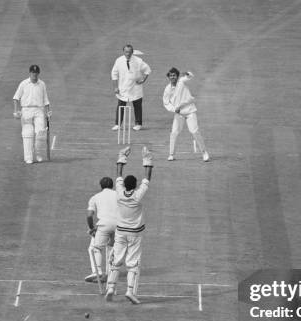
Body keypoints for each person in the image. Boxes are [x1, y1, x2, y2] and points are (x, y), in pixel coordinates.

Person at [105, 146, 153, 304]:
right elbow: (147, 179)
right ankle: (130, 291)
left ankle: (111, 287)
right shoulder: (138, 195)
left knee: (116, 260)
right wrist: (147, 159)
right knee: (133, 263)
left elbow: (118, 174)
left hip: (120, 232)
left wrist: (122, 157)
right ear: (135, 185)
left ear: (124, 185)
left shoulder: (119, 192)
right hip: (135, 233)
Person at [163, 68, 210, 162]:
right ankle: (171, 154)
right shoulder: (167, 89)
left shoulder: (181, 82)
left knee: (194, 131)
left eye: (174, 75)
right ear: (168, 77)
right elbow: (166, 102)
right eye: (171, 75)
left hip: (190, 111)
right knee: (174, 132)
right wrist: (174, 109)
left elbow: (190, 76)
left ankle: (204, 152)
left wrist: (187, 73)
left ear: (177, 76)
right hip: (179, 113)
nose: (172, 77)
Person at [13, 65, 52, 164]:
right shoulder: (24, 83)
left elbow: (45, 99)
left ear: (38, 73)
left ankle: (38, 154)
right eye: (33, 72)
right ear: (30, 73)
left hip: (39, 110)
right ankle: (28, 157)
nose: (34, 74)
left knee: (40, 133)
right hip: (26, 110)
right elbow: (16, 98)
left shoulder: (42, 84)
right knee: (27, 134)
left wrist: (48, 111)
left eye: (36, 73)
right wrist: (15, 111)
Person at [85, 177, 118, 283]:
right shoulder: (119, 195)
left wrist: (91, 229)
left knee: (96, 248)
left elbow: (89, 216)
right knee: (111, 247)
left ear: (101, 186)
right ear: (112, 186)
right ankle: (110, 273)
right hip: (119, 225)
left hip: (104, 225)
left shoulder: (95, 197)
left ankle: (97, 271)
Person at [111, 45, 151, 131]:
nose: (128, 53)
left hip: (135, 88)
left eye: (129, 52)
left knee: (137, 106)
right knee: (120, 106)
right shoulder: (119, 61)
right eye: (126, 51)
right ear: (123, 52)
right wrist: (115, 87)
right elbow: (114, 74)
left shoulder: (138, 61)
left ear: (132, 52)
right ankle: (118, 124)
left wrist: (143, 80)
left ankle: (138, 124)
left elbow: (147, 70)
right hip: (123, 88)